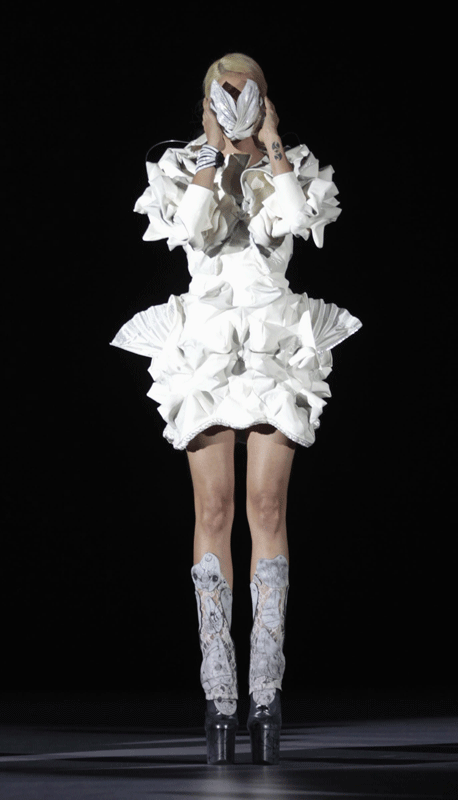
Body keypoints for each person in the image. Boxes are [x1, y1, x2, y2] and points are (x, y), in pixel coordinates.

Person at [111, 53, 362, 764]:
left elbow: (297, 218)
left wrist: (272, 147)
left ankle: (267, 693)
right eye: (221, 93)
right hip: (208, 347)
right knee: (215, 509)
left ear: (263, 95)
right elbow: (195, 231)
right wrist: (210, 158)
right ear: (205, 101)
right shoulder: (181, 166)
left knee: (267, 506)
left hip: (275, 344)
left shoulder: (292, 165)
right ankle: (220, 694)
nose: (233, 100)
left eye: (244, 89)